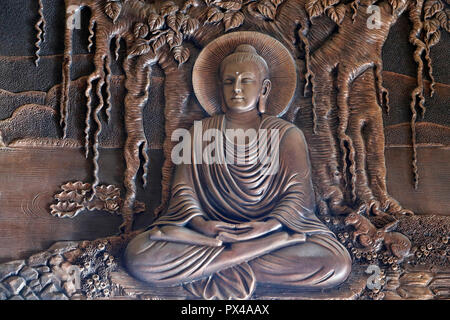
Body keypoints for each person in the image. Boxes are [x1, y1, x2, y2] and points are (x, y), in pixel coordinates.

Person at [124, 40, 351, 299]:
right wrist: (201, 224)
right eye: (229, 82)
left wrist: (267, 227)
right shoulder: (200, 133)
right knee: (138, 255)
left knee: (335, 263)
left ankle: (220, 263)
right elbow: (183, 192)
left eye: (246, 81)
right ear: (219, 89)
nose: (237, 89)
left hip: (264, 233)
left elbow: (299, 197)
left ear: (264, 89)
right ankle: (240, 256)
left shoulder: (287, 135)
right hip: (210, 234)